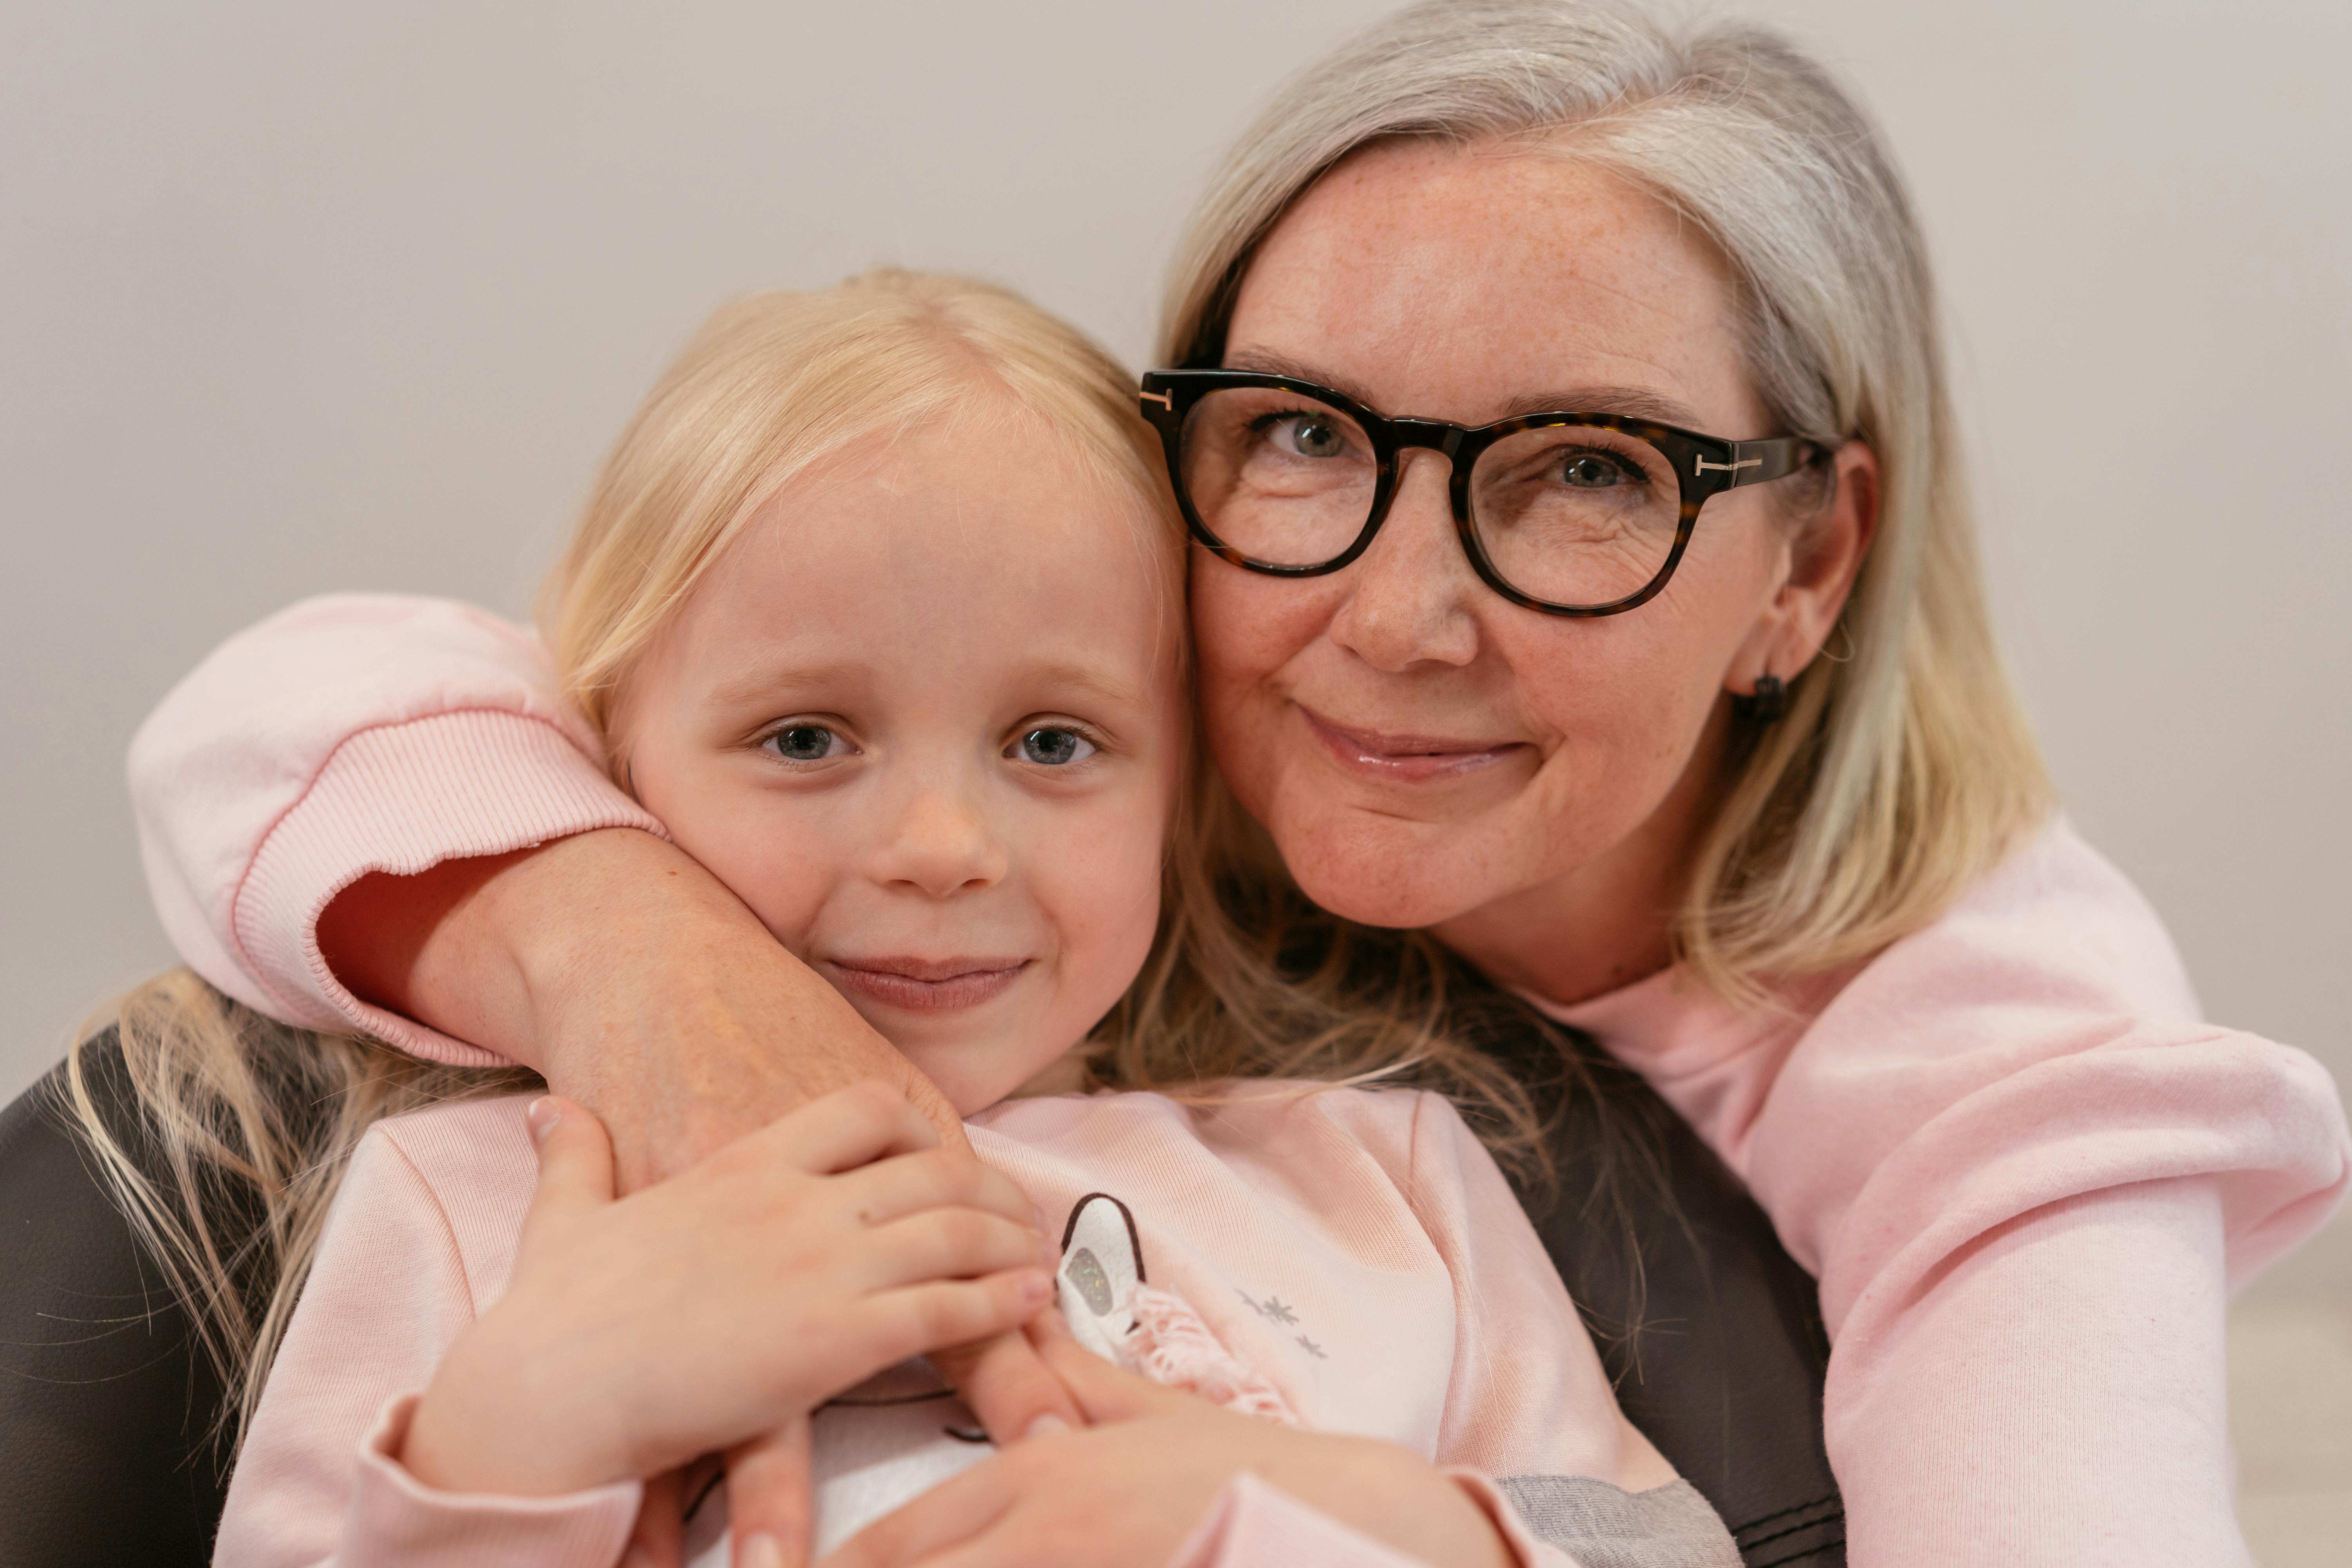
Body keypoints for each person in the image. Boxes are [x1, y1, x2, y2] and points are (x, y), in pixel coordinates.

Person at [120, 3, 2347, 1563]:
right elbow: (280, 710)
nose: (1393, 614)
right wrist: (643, 964)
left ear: (1811, 560)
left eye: (1588, 472)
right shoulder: (1079, 715)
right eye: (1300, 436)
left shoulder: (1980, 1072)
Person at [205, 269, 1731, 1568]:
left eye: (1054, 744)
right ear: (606, 753)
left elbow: (1669, 1546)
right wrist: (521, 1433)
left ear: (1182, 792)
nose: (943, 849)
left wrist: (1392, 1515)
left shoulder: (1382, 1182)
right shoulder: (476, 1213)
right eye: (806, 738)